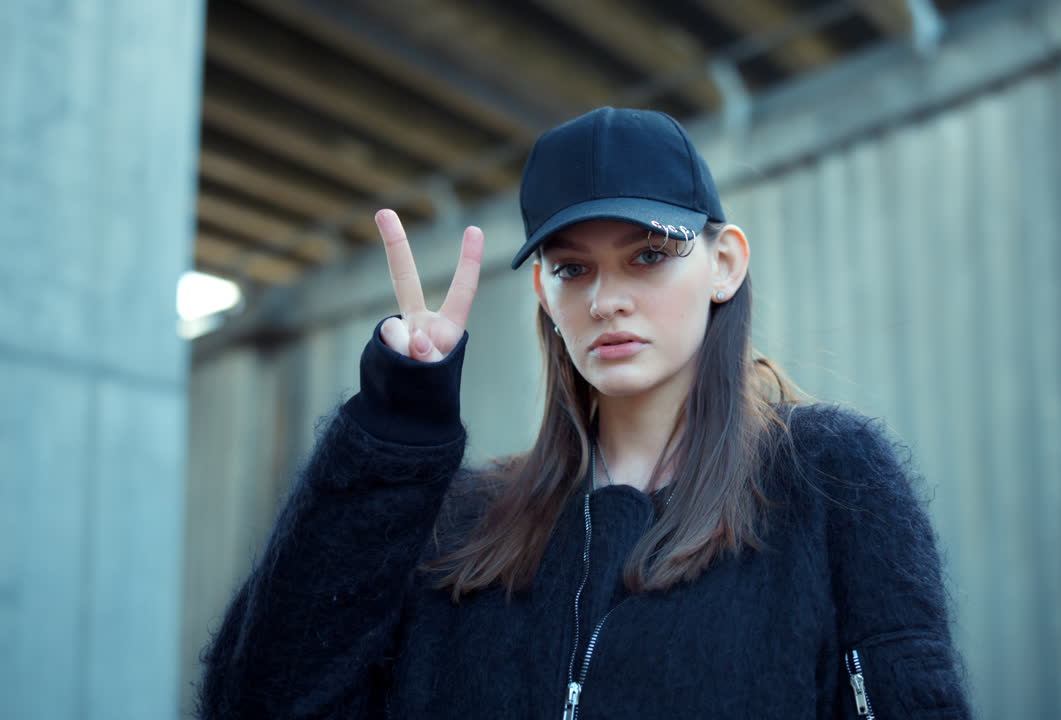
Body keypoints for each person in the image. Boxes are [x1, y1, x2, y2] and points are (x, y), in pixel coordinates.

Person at [196, 107, 971, 719]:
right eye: (572, 268)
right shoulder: (465, 527)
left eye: (648, 255)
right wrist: (398, 424)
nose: (605, 300)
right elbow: (260, 702)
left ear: (725, 263)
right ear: (544, 291)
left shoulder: (829, 481)